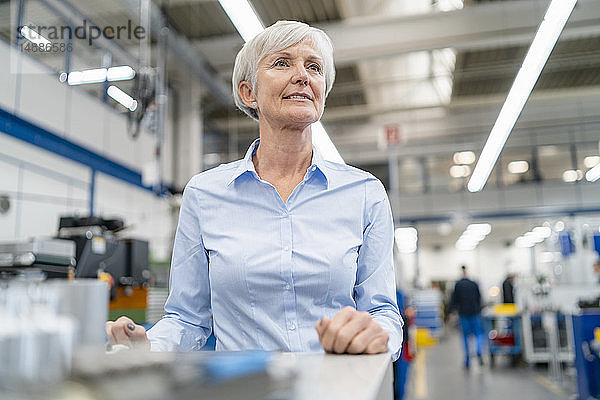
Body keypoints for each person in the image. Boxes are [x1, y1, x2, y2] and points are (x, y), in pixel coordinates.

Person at [106, 20, 403, 359]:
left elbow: (384, 313)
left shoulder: (365, 193)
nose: (303, 75)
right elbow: (187, 318)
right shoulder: (204, 195)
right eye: (282, 62)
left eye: (314, 67)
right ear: (249, 93)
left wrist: (377, 339)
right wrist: (149, 346)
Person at [450, 265, 484, 368]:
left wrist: (453, 312)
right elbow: (479, 298)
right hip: (475, 313)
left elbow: (454, 300)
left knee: (465, 337)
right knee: (478, 334)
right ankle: (478, 350)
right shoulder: (474, 284)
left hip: (463, 314)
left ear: (461, 272)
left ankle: (467, 359)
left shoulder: (458, 285)